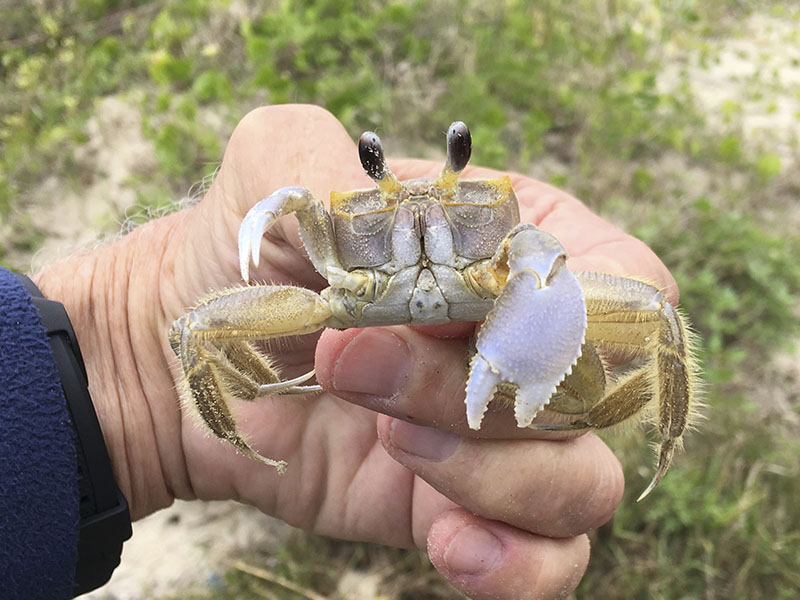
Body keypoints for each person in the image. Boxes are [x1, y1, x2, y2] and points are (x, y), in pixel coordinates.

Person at [1, 104, 679, 599]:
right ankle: (243, 425)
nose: (425, 235)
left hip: (495, 298)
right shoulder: (323, 232)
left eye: (455, 212)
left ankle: (632, 433)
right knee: (198, 330)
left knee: (651, 319)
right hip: (344, 298)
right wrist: (140, 365)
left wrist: (577, 389)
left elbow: (628, 314)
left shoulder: (518, 254)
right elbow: (185, 331)